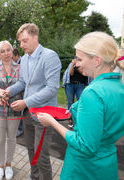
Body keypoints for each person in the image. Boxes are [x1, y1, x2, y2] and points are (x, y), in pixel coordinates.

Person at [37, 31, 124, 180]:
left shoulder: (93, 93)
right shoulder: (118, 86)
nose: (76, 63)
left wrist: (51, 122)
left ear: (96, 61)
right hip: (106, 165)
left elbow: (85, 145)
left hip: (84, 169)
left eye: (79, 59)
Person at [0, 23, 61, 180]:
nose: (21, 45)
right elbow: (22, 82)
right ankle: (34, 177)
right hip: (28, 114)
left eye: (25, 41)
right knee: (31, 150)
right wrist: (8, 91)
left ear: (35, 37)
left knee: (42, 156)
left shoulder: (49, 56)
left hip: (43, 115)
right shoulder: (25, 59)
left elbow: (52, 88)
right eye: (20, 41)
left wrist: (26, 102)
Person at [0, 41, 22, 180]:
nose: (6, 53)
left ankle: (9, 164)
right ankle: (0, 166)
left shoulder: (20, 67)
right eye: (3, 51)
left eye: (9, 50)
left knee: (11, 139)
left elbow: (22, 85)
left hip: (14, 108)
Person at [12, 48, 23, 137]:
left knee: (21, 110)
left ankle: (20, 129)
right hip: (17, 88)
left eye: (12, 57)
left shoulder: (22, 63)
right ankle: (18, 128)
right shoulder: (15, 63)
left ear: (16, 56)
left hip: (23, 90)